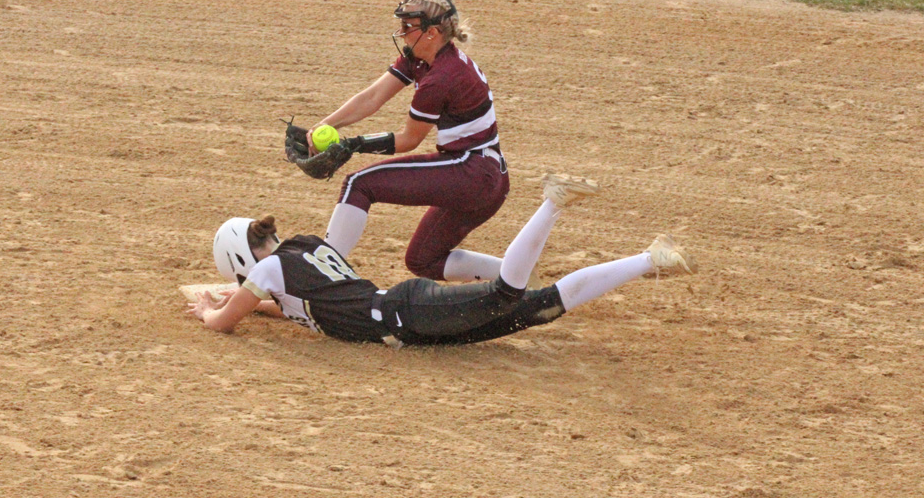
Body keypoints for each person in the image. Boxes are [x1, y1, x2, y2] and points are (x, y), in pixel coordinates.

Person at [186, 174, 697, 347]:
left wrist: (210, 309)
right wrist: (248, 302)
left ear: (242, 262)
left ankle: (552, 201)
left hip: (409, 313)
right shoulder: (304, 248)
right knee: (540, 308)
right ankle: (650, 258)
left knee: (508, 294)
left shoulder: (271, 270)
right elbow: (293, 307)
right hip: (409, 319)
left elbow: (223, 325)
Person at [304, 0, 534, 284]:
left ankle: (319, 280)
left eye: (408, 27)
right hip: (487, 177)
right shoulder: (423, 58)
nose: (401, 33)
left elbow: (408, 140)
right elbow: (372, 97)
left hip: (470, 172)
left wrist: (354, 145)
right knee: (423, 260)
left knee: (359, 184)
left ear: (432, 32)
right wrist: (324, 125)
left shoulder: (441, 78)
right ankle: (519, 278)